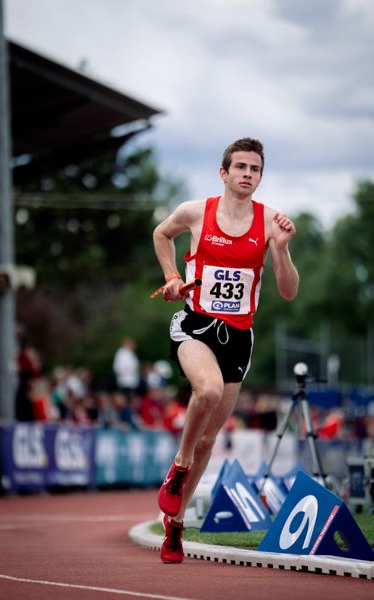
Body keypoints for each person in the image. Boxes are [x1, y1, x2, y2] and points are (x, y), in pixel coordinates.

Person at [152, 137, 299, 563]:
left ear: (260, 176)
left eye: (255, 168)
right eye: (240, 167)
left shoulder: (272, 222)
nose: (247, 174)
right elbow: (163, 234)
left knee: (210, 438)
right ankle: (178, 468)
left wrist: (283, 251)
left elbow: (288, 292)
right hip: (196, 324)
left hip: (238, 336)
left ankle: (174, 527)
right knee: (209, 391)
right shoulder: (196, 211)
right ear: (224, 172)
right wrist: (172, 274)